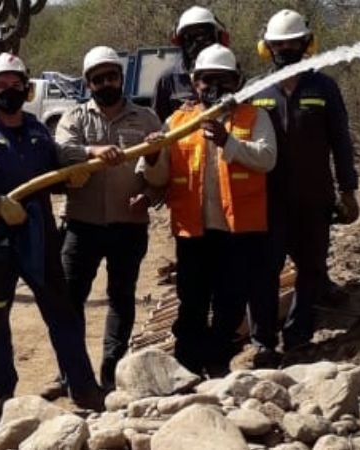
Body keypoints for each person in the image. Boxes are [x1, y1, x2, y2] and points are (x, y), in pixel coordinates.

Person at [0, 52, 105, 413]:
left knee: (61, 311)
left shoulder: (38, 131)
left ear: (27, 88)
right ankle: (4, 393)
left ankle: (82, 387)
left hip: (39, 236)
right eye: (1, 84)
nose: (9, 89)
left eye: (16, 83)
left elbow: (53, 177)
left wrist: (73, 178)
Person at [137, 44, 277, 377]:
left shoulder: (254, 116)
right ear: (194, 82)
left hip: (237, 229)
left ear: (237, 81)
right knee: (192, 298)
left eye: (223, 79)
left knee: (230, 299)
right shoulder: (179, 121)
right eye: (207, 79)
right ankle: (188, 361)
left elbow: (267, 158)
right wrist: (155, 156)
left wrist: (228, 142)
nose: (214, 86)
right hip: (193, 229)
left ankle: (217, 360)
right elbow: (158, 175)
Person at [39, 46, 161, 399]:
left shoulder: (147, 119)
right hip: (81, 225)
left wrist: (150, 195)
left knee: (121, 300)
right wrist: (93, 151)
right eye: (98, 79)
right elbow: (62, 153)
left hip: (129, 225)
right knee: (69, 301)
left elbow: (163, 174)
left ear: (121, 78)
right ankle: (70, 375)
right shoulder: (74, 119)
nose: (106, 83)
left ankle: (111, 374)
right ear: (88, 84)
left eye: (112, 76)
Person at [249, 9, 359, 358]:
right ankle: (263, 343)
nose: (285, 49)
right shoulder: (255, 89)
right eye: (278, 44)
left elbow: (341, 142)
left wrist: (348, 190)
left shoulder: (324, 87)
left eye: (293, 42)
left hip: (314, 198)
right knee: (264, 271)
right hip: (267, 199)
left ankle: (297, 337)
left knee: (311, 269)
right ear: (267, 47)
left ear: (306, 44)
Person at [153, 5, 230, 121]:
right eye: (190, 37)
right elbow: (158, 125)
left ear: (219, 38)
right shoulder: (168, 80)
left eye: (204, 37)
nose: (197, 43)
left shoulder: (230, 75)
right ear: (180, 42)